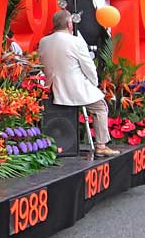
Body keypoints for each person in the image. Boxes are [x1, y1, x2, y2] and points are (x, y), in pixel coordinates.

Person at [38, 10, 120, 157]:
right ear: (70, 24)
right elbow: (88, 67)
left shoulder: (44, 41)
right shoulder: (76, 42)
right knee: (100, 107)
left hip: (51, 88)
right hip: (74, 89)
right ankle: (101, 145)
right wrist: (94, 84)